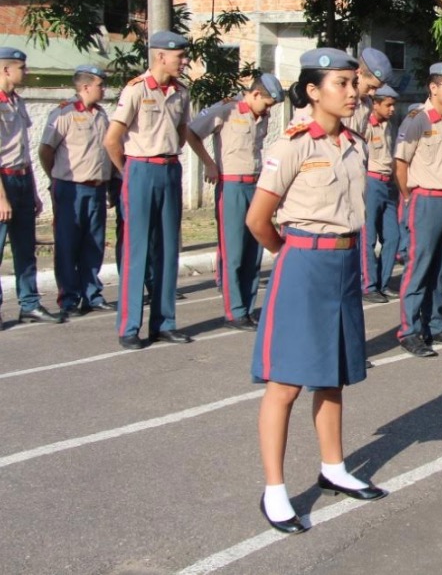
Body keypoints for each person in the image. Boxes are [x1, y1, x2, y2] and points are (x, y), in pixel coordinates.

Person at [245, 47, 386, 535]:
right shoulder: (292, 145)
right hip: (303, 262)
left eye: (354, 83)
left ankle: (333, 467)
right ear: (312, 91)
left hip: (345, 263)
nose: (353, 92)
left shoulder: (354, 143)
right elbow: (258, 220)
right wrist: (293, 252)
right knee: (284, 383)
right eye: (342, 84)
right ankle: (276, 490)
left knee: (333, 376)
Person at [104, 31, 192, 348]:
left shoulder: (182, 92)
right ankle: (129, 327)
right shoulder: (136, 90)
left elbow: (182, 133)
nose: (184, 61)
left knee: (168, 249)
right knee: (137, 249)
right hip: (139, 170)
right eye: (179, 56)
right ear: (160, 56)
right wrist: (127, 172)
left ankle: (164, 322)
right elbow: (112, 139)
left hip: (169, 168)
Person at [186, 74, 284, 330]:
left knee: (254, 251)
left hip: (256, 184)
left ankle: (249, 309)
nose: (268, 110)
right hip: (231, 185)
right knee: (234, 252)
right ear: (254, 94)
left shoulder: (261, 115)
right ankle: (235, 312)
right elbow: (192, 131)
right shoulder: (227, 110)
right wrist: (209, 163)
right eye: (267, 103)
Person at [394, 63, 442, 357]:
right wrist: (408, 197)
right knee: (419, 267)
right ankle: (409, 330)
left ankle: (435, 324)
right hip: (425, 199)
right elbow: (400, 163)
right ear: (433, 88)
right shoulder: (417, 120)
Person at [38, 64, 114, 318]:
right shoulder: (64, 113)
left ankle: (92, 294)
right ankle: (69, 297)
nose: (104, 89)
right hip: (70, 188)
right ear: (85, 87)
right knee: (68, 245)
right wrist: (56, 179)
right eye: (100, 84)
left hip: (96, 189)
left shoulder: (102, 115)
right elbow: (45, 151)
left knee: (94, 244)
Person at [0, 47, 61, 324]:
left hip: (22, 178)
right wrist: (1, 198)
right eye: (22, 68)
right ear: (5, 69)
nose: (26, 72)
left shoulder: (17, 101)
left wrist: (34, 191)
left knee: (25, 246)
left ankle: (29, 303)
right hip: (3, 181)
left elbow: (24, 149)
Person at [361, 84, 401, 303]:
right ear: (375, 104)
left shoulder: (389, 126)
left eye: (393, 105)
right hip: (371, 181)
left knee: (392, 236)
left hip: (388, 183)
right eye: (388, 105)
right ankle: (369, 285)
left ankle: (384, 282)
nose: (392, 109)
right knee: (368, 237)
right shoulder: (367, 125)